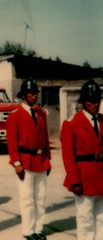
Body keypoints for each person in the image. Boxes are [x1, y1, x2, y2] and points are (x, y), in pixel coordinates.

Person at [6, 79, 51, 240]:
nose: (34, 96)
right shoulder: (15, 115)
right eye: (31, 93)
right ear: (24, 95)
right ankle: (28, 230)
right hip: (25, 162)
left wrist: (48, 159)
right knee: (27, 199)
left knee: (40, 198)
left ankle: (38, 228)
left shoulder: (40, 114)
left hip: (41, 161)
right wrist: (17, 163)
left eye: (36, 93)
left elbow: (45, 138)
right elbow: (11, 142)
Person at [61, 79, 103, 240]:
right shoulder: (71, 124)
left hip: (101, 175)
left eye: (97, 100)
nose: (96, 104)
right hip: (83, 177)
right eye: (92, 101)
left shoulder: (102, 120)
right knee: (85, 217)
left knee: (101, 217)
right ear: (84, 102)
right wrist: (74, 180)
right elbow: (68, 156)